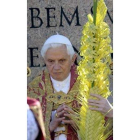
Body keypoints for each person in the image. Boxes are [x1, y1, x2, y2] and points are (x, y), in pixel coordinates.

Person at [27, 34, 113, 140]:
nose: (56, 67)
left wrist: (81, 125)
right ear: (44, 60)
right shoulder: (34, 89)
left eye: (62, 60)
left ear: (73, 59)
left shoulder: (89, 84)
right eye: (51, 61)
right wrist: (49, 126)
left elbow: (105, 129)